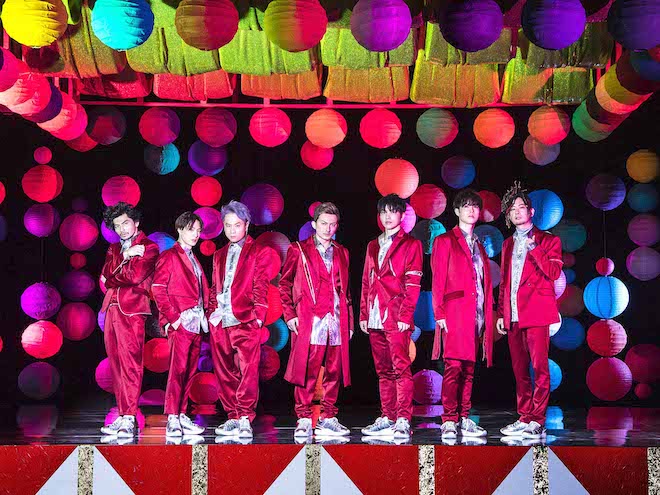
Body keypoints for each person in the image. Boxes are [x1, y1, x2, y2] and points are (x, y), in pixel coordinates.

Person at [279, 202, 353, 438]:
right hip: (310, 319)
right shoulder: (298, 249)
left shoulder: (342, 252)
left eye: (332, 224)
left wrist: (349, 322)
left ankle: (328, 417)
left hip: (336, 318)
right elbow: (284, 284)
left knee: (334, 370)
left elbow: (346, 291)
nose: (328, 228)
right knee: (307, 370)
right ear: (314, 224)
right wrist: (290, 314)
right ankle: (303, 417)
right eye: (323, 223)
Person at [497, 182, 563, 440]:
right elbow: (505, 281)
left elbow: (553, 273)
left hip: (537, 312)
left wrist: (534, 247)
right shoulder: (507, 244)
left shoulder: (548, 240)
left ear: (531, 212)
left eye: (521, 207)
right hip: (512, 314)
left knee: (539, 368)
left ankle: (537, 420)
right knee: (519, 369)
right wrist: (501, 313)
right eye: (512, 209)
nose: (516, 212)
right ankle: (524, 417)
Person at [431, 189, 494, 440]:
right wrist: (439, 311)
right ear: (457, 211)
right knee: (454, 366)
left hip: (476, 312)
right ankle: (449, 418)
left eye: (475, 207)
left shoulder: (479, 244)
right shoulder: (445, 240)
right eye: (466, 206)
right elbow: (438, 279)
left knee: (469, 367)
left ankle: (465, 417)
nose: (471, 210)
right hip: (455, 311)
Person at [359, 194, 422, 439]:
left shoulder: (411, 244)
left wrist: (406, 315)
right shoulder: (372, 245)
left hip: (396, 314)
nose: (387, 216)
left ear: (401, 215)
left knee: (400, 367)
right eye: (383, 212)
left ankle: (403, 418)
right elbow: (366, 280)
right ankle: (388, 416)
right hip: (374, 314)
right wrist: (364, 313)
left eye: (392, 211)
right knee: (383, 370)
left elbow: (413, 283)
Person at [208, 201, 272, 439]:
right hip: (220, 320)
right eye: (228, 225)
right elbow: (215, 286)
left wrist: (258, 317)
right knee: (224, 370)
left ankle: (245, 416)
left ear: (246, 225)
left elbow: (261, 285)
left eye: (237, 225)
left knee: (248, 370)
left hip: (246, 318)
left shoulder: (258, 251)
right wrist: (212, 313)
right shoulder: (219, 254)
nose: (232, 230)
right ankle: (233, 416)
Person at [99, 202, 159, 438]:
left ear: (136, 222)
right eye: (117, 226)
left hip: (132, 311)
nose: (122, 229)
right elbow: (104, 276)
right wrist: (125, 255)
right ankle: (123, 414)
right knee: (115, 365)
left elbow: (134, 276)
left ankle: (130, 417)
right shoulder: (115, 249)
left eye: (125, 223)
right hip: (111, 309)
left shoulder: (149, 247)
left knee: (131, 364)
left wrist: (113, 276)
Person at [152, 212, 209, 438]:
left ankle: (182, 413)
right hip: (182, 322)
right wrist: (173, 319)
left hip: (197, 322)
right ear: (179, 229)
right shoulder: (169, 256)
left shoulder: (194, 258)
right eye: (191, 230)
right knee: (178, 371)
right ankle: (172, 418)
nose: (195, 235)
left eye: (198, 231)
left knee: (190, 372)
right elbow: (158, 289)